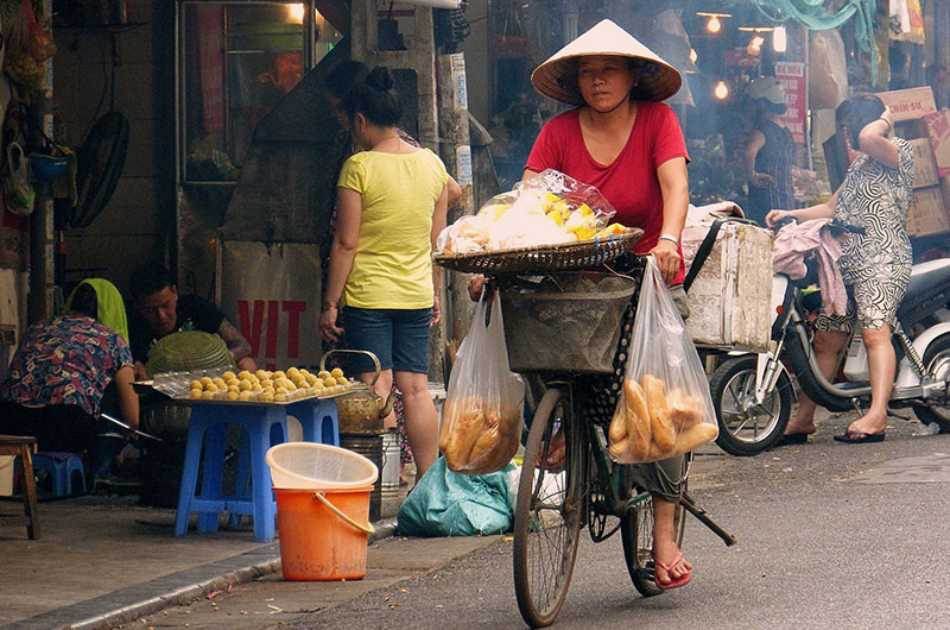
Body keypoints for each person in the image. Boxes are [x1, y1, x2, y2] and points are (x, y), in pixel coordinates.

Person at [471, 19, 693, 589]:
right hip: (571, 277)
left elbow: (674, 189)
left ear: (631, 76)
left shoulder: (658, 121)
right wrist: (496, 256)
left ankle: (664, 536)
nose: (597, 81)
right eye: (588, 72)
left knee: (658, 401)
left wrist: (668, 240)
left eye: (608, 70)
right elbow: (526, 204)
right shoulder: (559, 133)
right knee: (533, 332)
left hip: (642, 273)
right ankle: (563, 423)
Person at [318, 66, 449, 481]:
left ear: (360, 119)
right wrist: (436, 295)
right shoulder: (433, 165)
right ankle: (428, 485)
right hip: (414, 294)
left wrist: (330, 304)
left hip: (369, 296)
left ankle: (379, 486)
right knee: (415, 388)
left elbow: (346, 243)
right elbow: (438, 242)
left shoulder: (358, 167)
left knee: (376, 383)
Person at [767, 95, 912, 444]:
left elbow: (868, 138)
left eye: (848, 127)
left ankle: (877, 415)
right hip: (843, 264)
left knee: (876, 333)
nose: (847, 136)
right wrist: (791, 214)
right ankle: (803, 418)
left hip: (883, 258)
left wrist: (886, 118)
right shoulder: (859, 165)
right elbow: (833, 208)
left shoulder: (897, 151)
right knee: (827, 339)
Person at [0, 281, 139, 463]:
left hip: (9, 419)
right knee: (107, 417)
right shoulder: (112, 339)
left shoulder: (36, 328)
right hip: (64, 424)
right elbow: (132, 417)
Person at [128, 264, 256, 380]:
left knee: (247, 364)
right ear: (138, 306)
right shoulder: (133, 325)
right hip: (160, 388)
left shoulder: (196, 307)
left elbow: (243, 346)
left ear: (175, 293)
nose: (161, 316)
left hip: (210, 382)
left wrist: (215, 360)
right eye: (150, 310)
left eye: (166, 305)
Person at [744, 77, 795, 226]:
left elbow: (749, 152)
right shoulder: (785, 131)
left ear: (762, 104)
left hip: (766, 199)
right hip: (785, 198)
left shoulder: (762, 130)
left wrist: (751, 176)